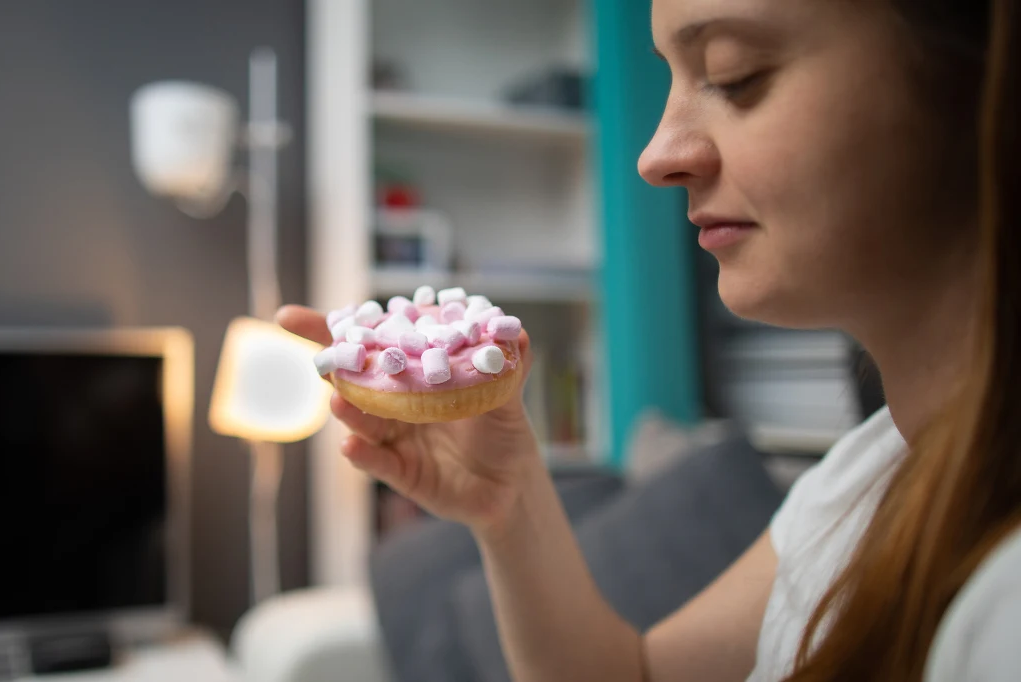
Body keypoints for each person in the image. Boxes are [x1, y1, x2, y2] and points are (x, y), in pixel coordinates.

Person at [278, 0, 1021, 679]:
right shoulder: (869, 480)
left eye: (735, 74)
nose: (655, 154)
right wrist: (508, 503)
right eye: (673, 78)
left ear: (980, 84)